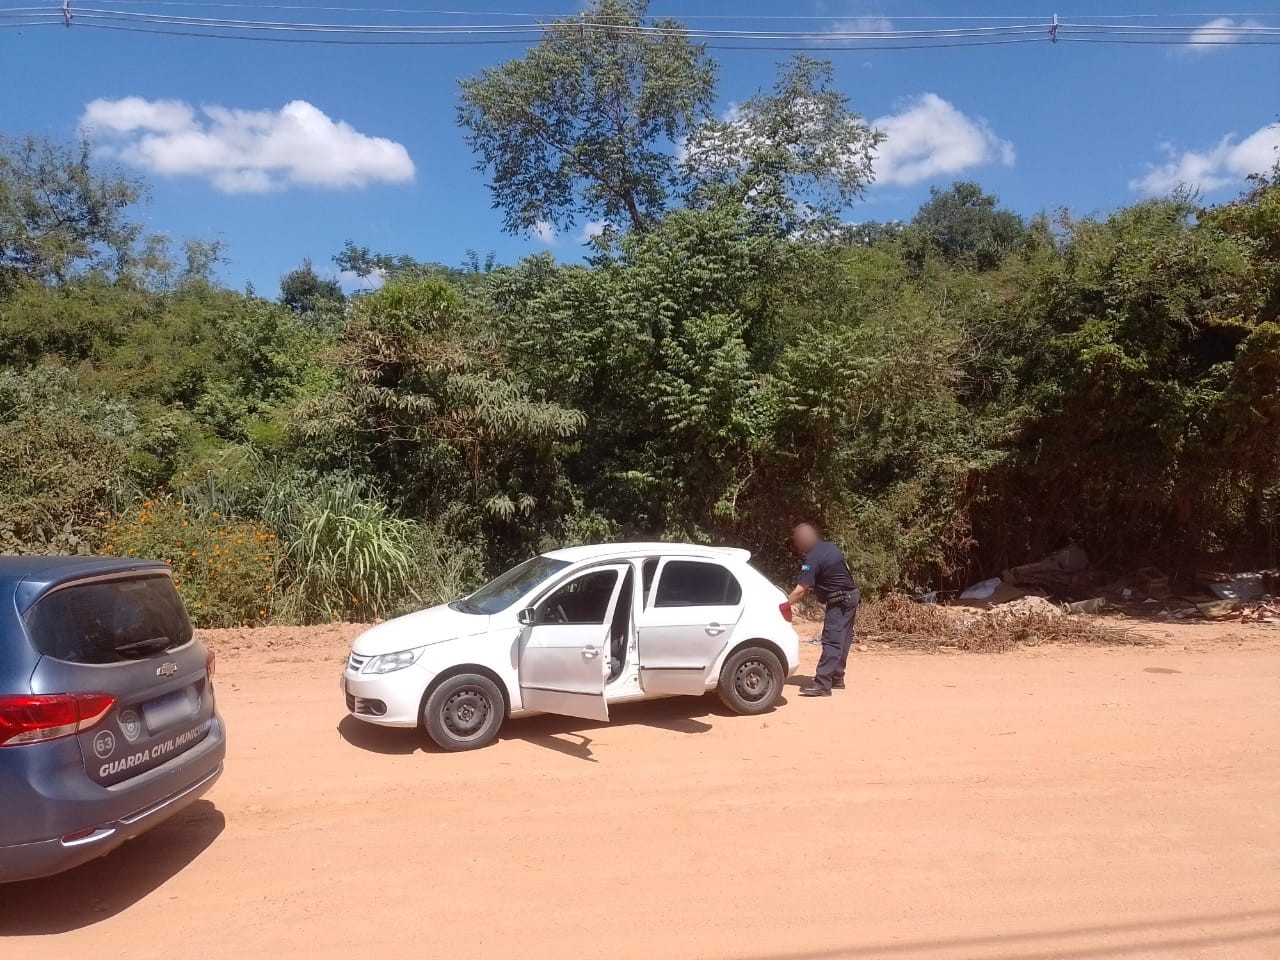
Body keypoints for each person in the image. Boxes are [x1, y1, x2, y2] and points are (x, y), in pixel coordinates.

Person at [786, 522, 860, 697]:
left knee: (832, 640)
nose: (797, 545)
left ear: (802, 539)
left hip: (840, 601)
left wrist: (782, 605)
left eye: (797, 541)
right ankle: (836, 678)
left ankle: (822, 684)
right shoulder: (830, 547)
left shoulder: (813, 557)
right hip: (851, 597)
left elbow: (801, 590)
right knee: (843, 639)